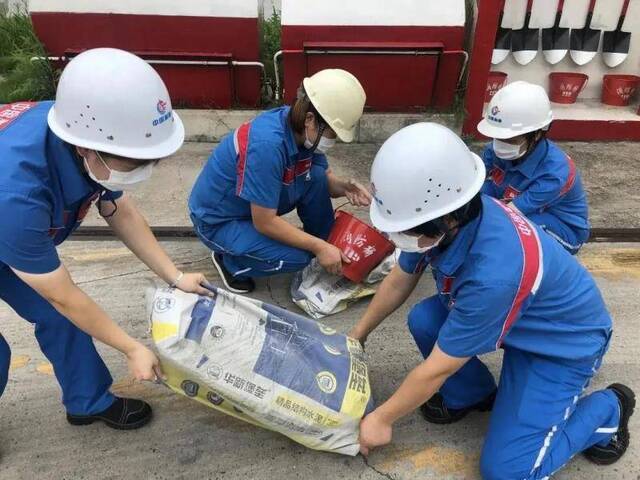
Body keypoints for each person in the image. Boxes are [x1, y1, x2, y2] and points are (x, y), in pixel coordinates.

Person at [350, 122, 634, 478]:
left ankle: (609, 409)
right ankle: (473, 394)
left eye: (406, 227)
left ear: (448, 219)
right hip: (519, 318)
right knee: (424, 320)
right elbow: (400, 279)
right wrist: (357, 335)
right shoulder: (448, 216)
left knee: (508, 472)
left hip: (561, 344)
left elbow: (439, 367)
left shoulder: (493, 272)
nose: (398, 236)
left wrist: (382, 418)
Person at [0, 48, 211, 430]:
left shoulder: (82, 125)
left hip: (10, 238)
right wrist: (131, 348)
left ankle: (87, 401)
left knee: (62, 317)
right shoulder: (17, 193)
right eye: (133, 164)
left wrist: (175, 277)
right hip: (7, 221)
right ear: (85, 149)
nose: (143, 172)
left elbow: (119, 209)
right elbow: (60, 293)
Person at [189, 69, 371, 294]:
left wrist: (344, 187)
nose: (332, 141)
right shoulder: (267, 146)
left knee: (315, 176)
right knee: (301, 257)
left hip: (251, 206)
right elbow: (264, 222)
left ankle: (326, 244)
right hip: (220, 221)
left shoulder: (300, 129)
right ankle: (231, 263)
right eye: (332, 134)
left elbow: (323, 179)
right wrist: (317, 247)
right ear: (310, 119)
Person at [477, 81, 590, 254]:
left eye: (511, 139)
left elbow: (511, 214)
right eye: (497, 136)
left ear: (537, 134)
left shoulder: (554, 174)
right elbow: (473, 180)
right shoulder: (495, 150)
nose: (500, 145)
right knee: (478, 193)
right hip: (511, 201)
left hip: (561, 229)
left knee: (515, 228)